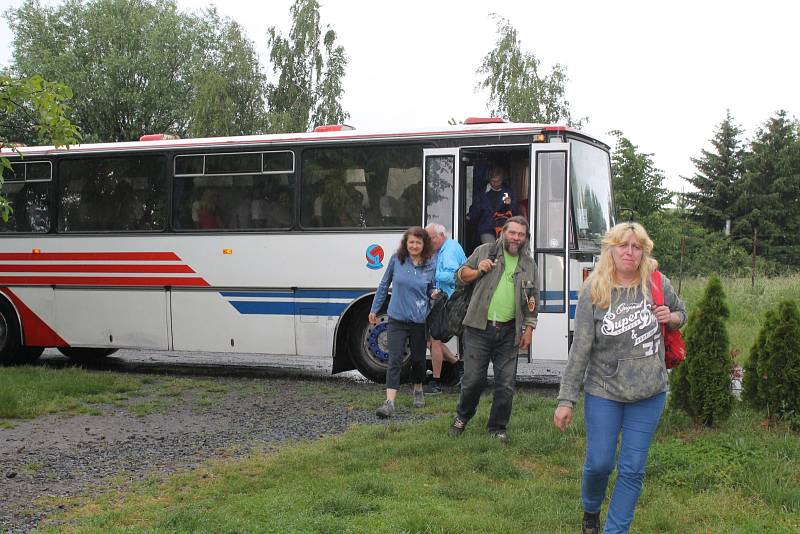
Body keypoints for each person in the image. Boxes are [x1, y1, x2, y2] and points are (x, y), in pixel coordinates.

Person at [553, 222, 687, 534]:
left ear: (644, 252)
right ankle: (591, 508)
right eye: (623, 245)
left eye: (636, 247)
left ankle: (616, 530)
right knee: (599, 463)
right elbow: (580, 350)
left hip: (649, 392)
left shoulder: (657, 283)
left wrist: (673, 317)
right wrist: (566, 399)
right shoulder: (594, 290)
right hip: (604, 391)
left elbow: (683, 313)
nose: (629, 252)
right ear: (610, 249)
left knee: (632, 468)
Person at [448, 216, 538, 441]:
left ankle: (497, 428)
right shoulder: (485, 251)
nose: (516, 238)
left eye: (521, 234)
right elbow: (459, 277)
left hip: (510, 331)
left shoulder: (529, 264)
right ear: (503, 233)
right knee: (472, 381)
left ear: (526, 238)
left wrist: (529, 328)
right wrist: (479, 270)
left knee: (506, 385)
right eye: (513, 232)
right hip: (478, 327)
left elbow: (532, 299)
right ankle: (462, 417)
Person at [371, 226, 440, 418]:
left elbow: (431, 289)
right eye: (411, 242)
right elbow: (384, 285)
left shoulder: (430, 264)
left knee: (418, 360)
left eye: (418, 242)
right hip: (397, 318)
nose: (414, 245)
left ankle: (418, 388)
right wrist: (374, 309)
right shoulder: (396, 260)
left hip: (419, 319)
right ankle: (389, 402)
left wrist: (434, 293)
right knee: (394, 359)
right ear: (405, 243)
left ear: (424, 244)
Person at [423, 223, 467, 394]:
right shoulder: (446, 248)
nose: (428, 242)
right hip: (449, 298)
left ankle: (436, 382)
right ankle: (458, 367)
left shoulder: (448, 251)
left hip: (452, 301)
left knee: (434, 338)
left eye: (430, 238)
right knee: (431, 338)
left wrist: (433, 275)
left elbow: (453, 276)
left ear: (440, 236)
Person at [467, 166, 518, 244]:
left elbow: (514, 211)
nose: (495, 184)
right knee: (491, 249)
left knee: (502, 250)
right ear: (489, 179)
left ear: (502, 179)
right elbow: (475, 209)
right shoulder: (482, 193)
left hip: (503, 227)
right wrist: (468, 216)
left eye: (498, 181)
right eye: (493, 181)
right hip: (486, 227)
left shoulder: (508, 192)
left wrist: (510, 204)